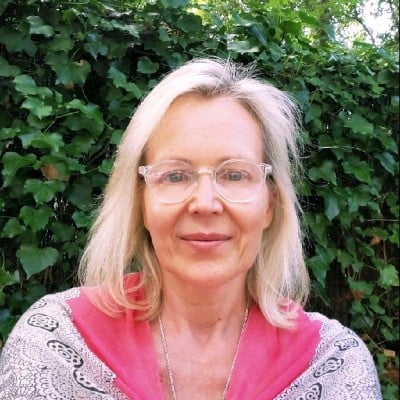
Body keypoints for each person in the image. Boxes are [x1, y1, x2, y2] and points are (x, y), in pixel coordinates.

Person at [0, 58, 381, 399]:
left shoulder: (332, 365)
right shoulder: (56, 342)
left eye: (235, 174)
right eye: (175, 175)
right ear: (141, 202)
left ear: (270, 204)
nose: (204, 203)